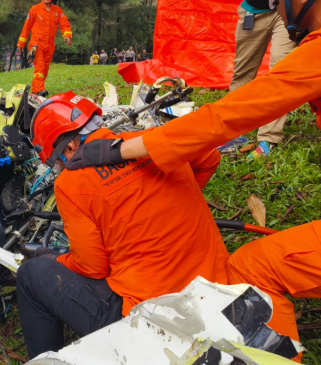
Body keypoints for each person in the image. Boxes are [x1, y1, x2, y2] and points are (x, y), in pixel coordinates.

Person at [66, 0, 321, 362]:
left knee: (253, 270)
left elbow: (233, 113)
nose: (272, 3)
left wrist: (121, 149)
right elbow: (208, 158)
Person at [17, 92, 230, 359]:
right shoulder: (147, 142)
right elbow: (210, 159)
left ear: (69, 148)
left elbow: (93, 267)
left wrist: (57, 260)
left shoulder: (71, 184)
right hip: (220, 291)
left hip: (158, 323)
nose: (59, 168)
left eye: (56, 161)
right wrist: (168, 203)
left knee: (30, 275)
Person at [231, 0, 298, 158]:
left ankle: (268, 138)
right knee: (242, 72)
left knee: (280, 72)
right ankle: (230, 128)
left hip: (289, 12)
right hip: (254, 11)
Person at [17, 0, 72, 97]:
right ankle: (40, 89)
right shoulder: (34, 9)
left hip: (49, 46)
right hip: (36, 45)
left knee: (45, 69)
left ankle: (35, 90)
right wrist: (21, 44)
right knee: (39, 67)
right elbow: (26, 27)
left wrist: (67, 36)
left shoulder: (57, 10)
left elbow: (64, 23)